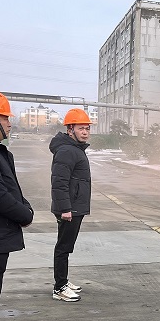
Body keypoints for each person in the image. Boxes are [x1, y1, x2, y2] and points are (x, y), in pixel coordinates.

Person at [0, 92, 34, 321]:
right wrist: (23, 215)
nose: (10, 123)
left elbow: (12, 189)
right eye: (5, 118)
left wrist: (25, 207)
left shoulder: (1, 153)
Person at [50, 108, 92, 302]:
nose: (85, 132)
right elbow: (59, 182)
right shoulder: (67, 150)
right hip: (70, 208)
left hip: (74, 206)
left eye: (87, 128)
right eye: (81, 128)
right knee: (63, 247)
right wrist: (65, 209)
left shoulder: (74, 149)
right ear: (70, 130)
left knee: (66, 247)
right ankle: (59, 288)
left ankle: (63, 281)